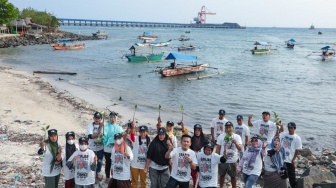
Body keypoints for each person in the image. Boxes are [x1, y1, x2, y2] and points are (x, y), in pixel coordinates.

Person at [216, 121, 242, 188]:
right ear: (225, 128)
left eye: (229, 127)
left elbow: (240, 148)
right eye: (226, 127)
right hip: (223, 160)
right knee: (222, 175)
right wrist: (217, 158)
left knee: (233, 176)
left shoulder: (237, 136)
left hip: (233, 160)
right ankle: (221, 186)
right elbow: (218, 148)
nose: (228, 129)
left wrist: (235, 143)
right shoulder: (221, 136)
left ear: (233, 128)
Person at [279, 122, 302, 188]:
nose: (290, 129)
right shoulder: (284, 134)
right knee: (281, 173)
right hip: (282, 158)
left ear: (294, 128)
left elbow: (297, 150)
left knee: (291, 174)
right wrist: (280, 126)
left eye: (291, 128)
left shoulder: (297, 138)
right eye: (289, 128)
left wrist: (293, 159)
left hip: (290, 159)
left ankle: (293, 186)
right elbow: (278, 136)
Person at [103, 111, 123, 182]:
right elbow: (104, 137)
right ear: (109, 118)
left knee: (115, 163)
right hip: (107, 149)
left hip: (116, 149)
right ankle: (107, 177)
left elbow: (121, 138)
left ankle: (115, 176)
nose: (112, 119)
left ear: (116, 118)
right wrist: (108, 141)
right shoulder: (105, 127)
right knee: (108, 163)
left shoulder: (119, 128)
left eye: (114, 117)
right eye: (111, 117)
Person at [86, 111, 104, 181]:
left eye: (99, 118)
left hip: (100, 147)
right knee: (91, 161)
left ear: (101, 119)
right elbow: (90, 136)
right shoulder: (90, 126)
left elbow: (105, 135)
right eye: (96, 118)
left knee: (99, 161)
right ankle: (91, 173)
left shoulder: (103, 126)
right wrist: (98, 133)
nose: (97, 119)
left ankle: (97, 173)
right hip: (92, 147)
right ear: (93, 118)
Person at [190, 124, 207, 188]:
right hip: (194, 161)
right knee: (194, 176)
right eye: (196, 130)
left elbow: (209, 150)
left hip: (202, 161)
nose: (197, 132)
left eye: (198, 130)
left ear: (201, 131)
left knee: (201, 177)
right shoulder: (192, 139)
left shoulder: (204, 140)